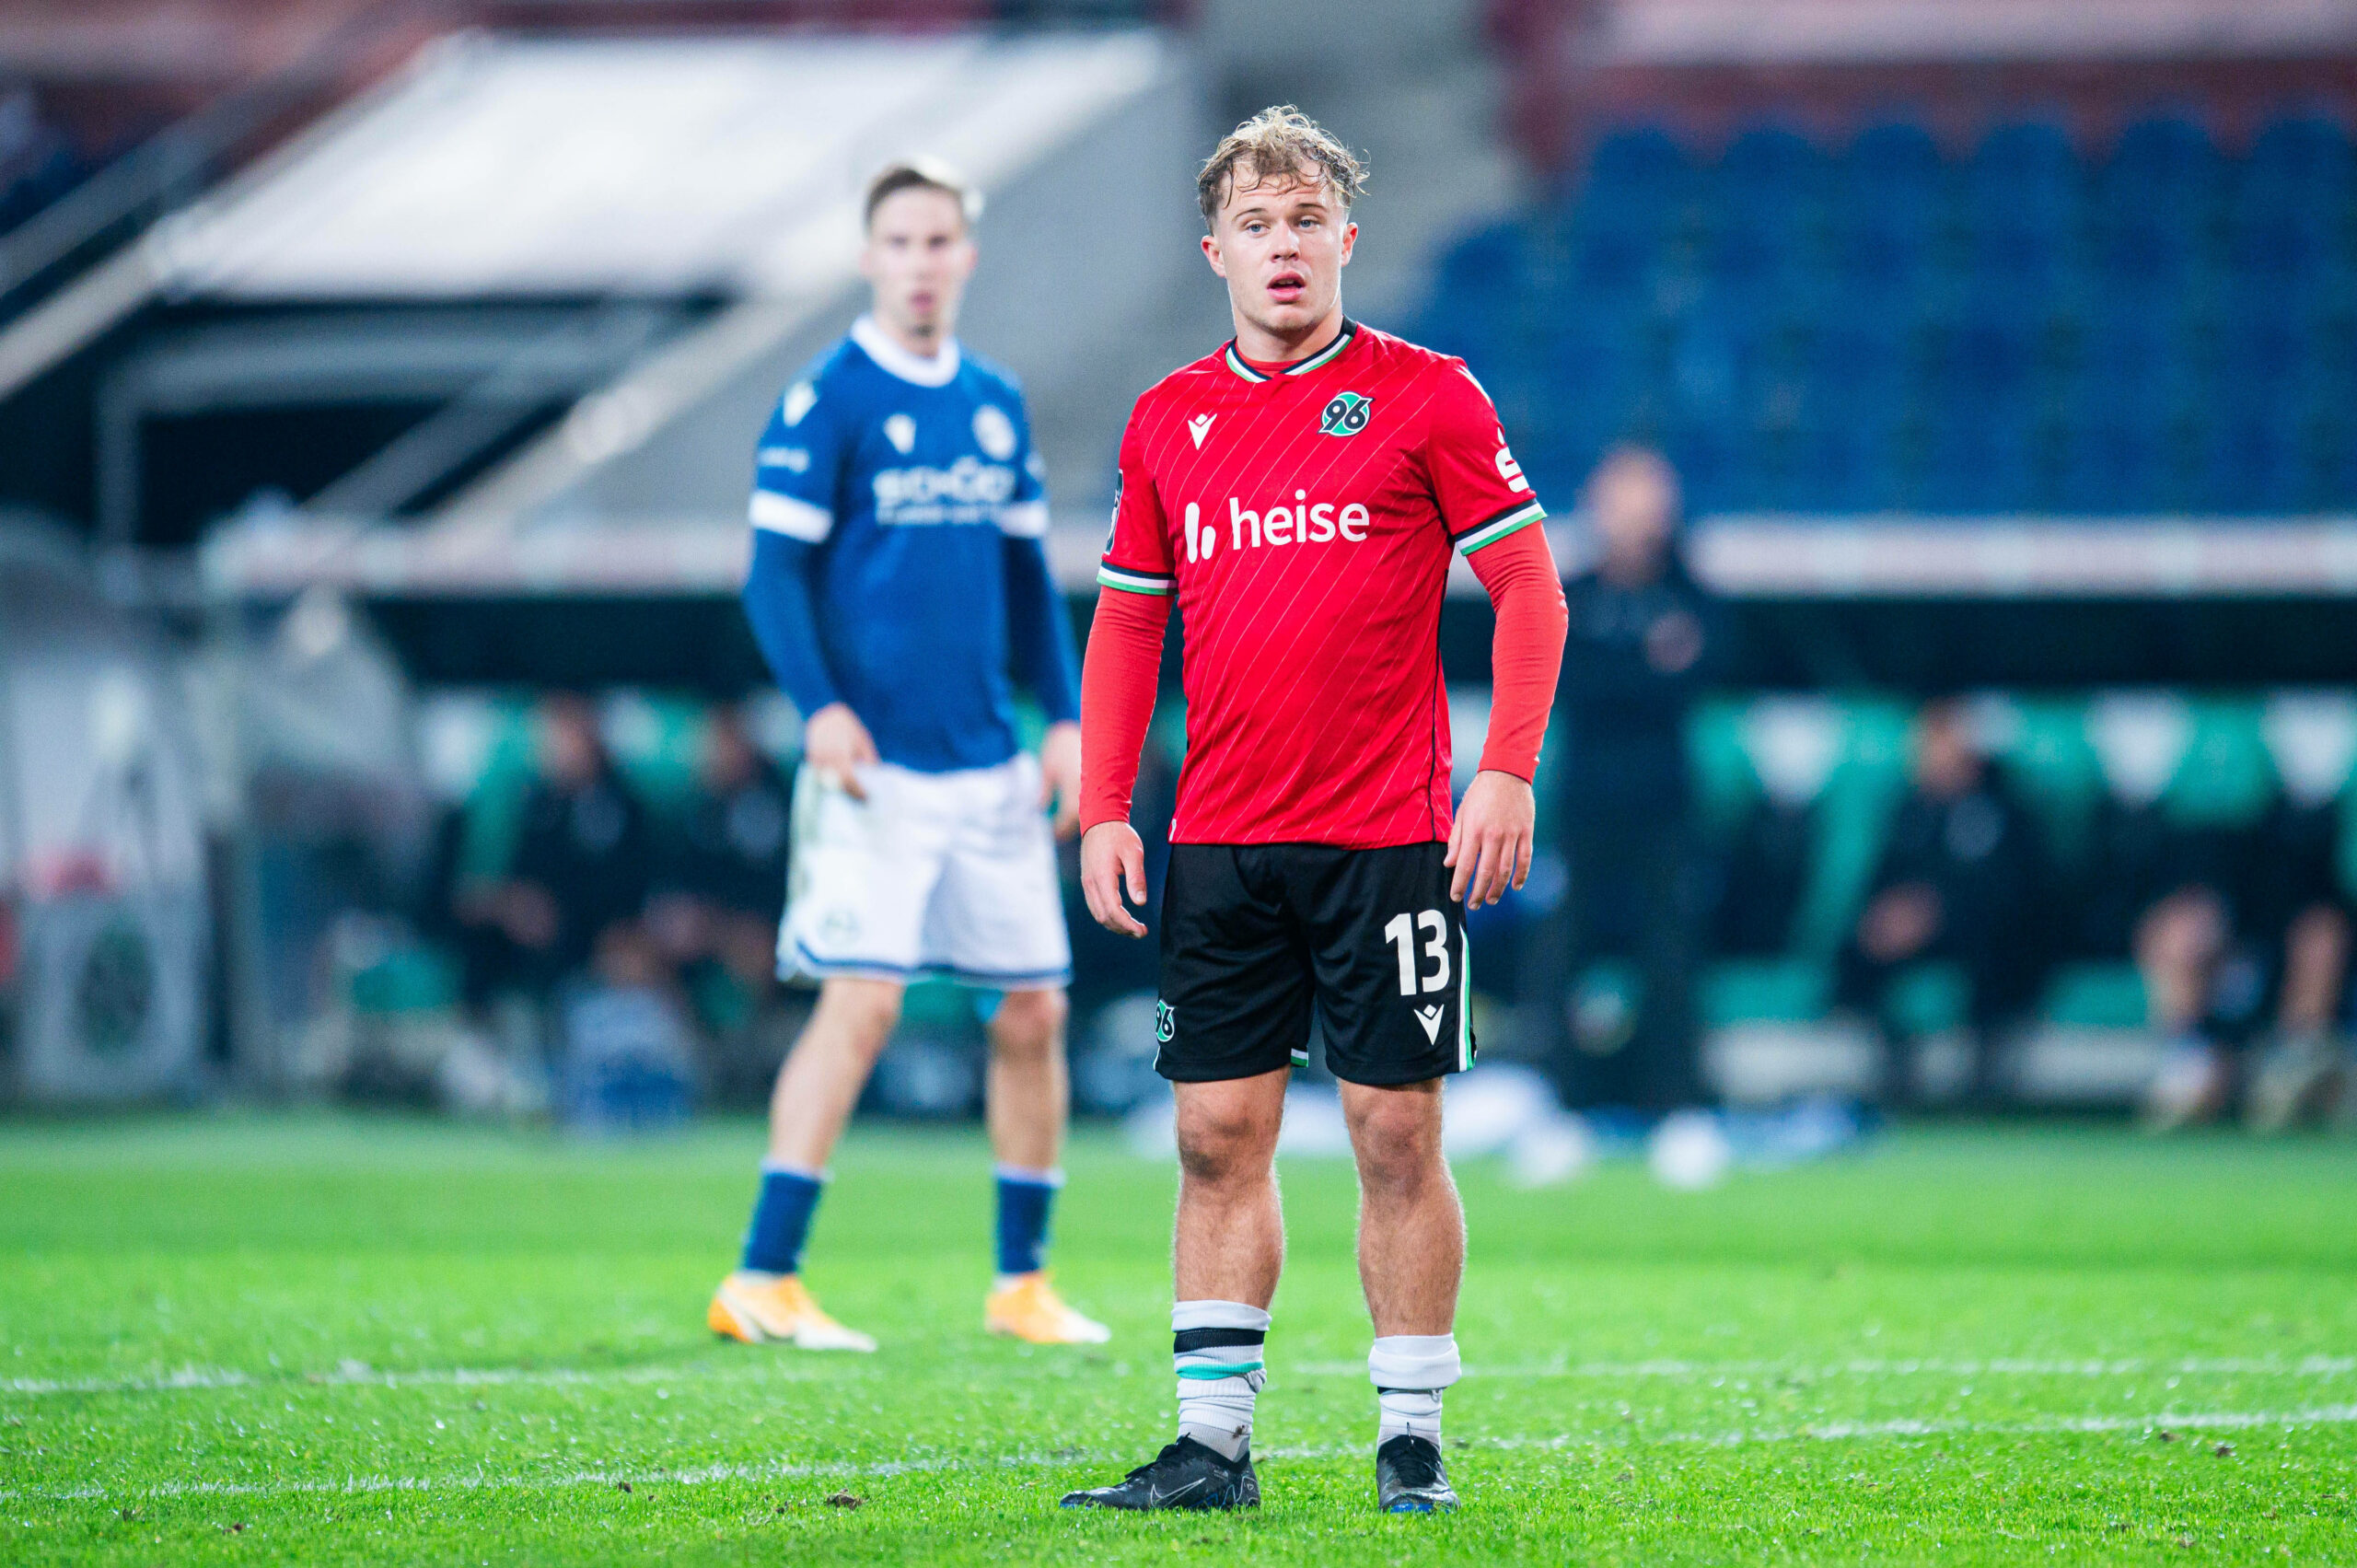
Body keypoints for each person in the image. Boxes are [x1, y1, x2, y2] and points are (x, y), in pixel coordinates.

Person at [1062, 107, 1568, 1516]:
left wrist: (1508, 766)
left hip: (1387, 838)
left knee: (1394, 1132)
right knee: (1214, 1135)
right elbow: (1127, 625)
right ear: (1214, 249)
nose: (1282, 246)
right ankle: (1212, 1445)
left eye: (1305, 221)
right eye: (1256, 224)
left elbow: (1530, 587)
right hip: (1219, 840)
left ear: (1346, 240)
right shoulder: (1168, 419)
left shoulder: (1427, 395)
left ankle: (1412, 1427)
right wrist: (1108, 803)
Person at [706, 159, 1107, 1353]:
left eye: (942, 240)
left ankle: (1021, 1282)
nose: (923, 260)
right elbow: (771, 574)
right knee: (864, 1001)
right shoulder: (825, 395)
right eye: (902, 241)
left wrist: (1070, 720)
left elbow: (1029, 581)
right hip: (873, 767)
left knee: (1032, 1009)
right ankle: (762, 1275)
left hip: (989, 760)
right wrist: (818, 704)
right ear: (871, 256)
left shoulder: (996, 401)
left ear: (965, 256)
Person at [1539, 447, 1721, 1111]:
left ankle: (1679, 1106)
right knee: (1562, 959)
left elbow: (1705, 671)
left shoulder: (1691, 593)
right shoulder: (1570, 594)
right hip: (1585, 811)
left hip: (1664, 811)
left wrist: (1626, 674)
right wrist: (1645, 668)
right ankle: (1561, 1105)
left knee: (1672, 959)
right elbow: (1568, 681)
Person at [1835, 698, 2049, 1107]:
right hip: (1916, 934)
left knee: (1998, 956)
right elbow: (1882, 875)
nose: (1928, 756)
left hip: (1987, 931)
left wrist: (1936, 912)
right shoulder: (1909, 809)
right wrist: (1887, 915)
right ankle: (1895, 1067)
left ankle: (1986, 1081)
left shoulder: (2006, 806)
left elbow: (2017, 891)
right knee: (1862, 945)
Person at [448, 692, 656, 1008]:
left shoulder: (624, 806)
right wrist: (512, 904)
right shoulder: (534, 801)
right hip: (533, 935)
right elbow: (508, 877)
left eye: (570, 729)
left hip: (598, 936)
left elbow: (629, 884)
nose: (561, 743)